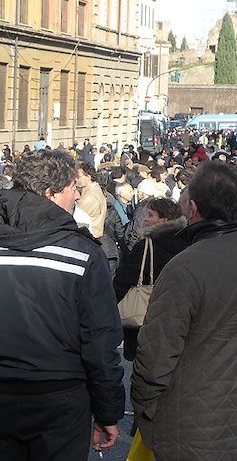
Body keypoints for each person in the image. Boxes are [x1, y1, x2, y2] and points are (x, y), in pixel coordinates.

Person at [131, 161, 237, 460]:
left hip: (188, 427)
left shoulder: (186, 266)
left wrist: (144, 408)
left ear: (193, 208)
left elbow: (156, 355)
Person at [0, 149, 124, 460]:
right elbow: (99, 342)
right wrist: (107, 412)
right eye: (73, 187)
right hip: (59, 399)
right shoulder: (82, 254)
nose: (78, 196)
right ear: (50, 193)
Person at [114, 198, 187, 361]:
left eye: (150, 215)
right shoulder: (187, 244)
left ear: (164, 219)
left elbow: (123, 280)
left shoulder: (147, 246)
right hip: (177, 318)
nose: (145, 218)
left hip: (146, 320)